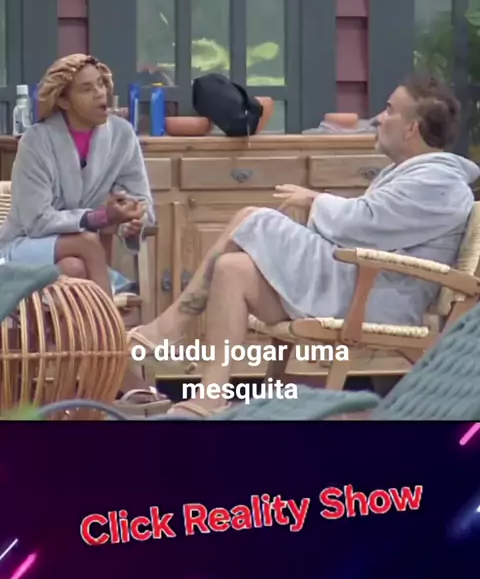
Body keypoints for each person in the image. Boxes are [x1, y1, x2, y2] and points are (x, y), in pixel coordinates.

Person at [130, 74, 480, 417]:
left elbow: (362, 225)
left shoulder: (438, 182)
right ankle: (211, 396)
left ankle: (169, 327)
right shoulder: (419, 175)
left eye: (389, 110)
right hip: (356, 285)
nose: (378, 118)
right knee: (232, 269)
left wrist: (314, 200)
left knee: (253, 218)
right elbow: (370, 226)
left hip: (375, 299)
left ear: (411, 128)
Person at [0, 53, 158, 395]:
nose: (101, 94)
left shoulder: (121, 135)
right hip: (22, 248)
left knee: (74, 267)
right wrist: (99, 218)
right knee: (87, 241)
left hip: (78, 261)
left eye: (101, 84)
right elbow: (36, 220)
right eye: (87, 89)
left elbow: (141, 201)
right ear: (63, 100)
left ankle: (68, 388)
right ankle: (116, 364)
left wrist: (132, 221)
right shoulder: (36, 142)